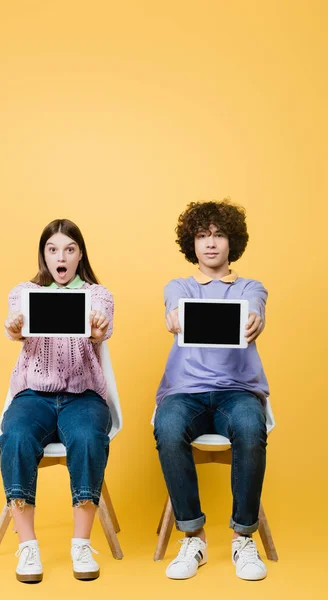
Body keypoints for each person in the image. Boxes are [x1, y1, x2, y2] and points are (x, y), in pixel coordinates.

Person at [154, 200, 269, 581]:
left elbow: (255, 308)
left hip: (237, 391)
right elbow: (174, 307)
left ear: (231, 241)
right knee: (168, 429)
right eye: (202, 236)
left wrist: (254, 319)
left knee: (252, 428)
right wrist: (174, 318)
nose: (211, 243)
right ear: (192, 243)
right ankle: (193, 537)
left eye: (219, 235)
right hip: (185, 391)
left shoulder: (250, 287)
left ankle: (242, 536)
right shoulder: (179, 286)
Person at [0, 219, 114, 583]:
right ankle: (28, 545)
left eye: (69, 249)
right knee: (15, 436)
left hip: (83, 396)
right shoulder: (24, 292)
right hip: (33, 395)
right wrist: (15, 329)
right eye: (53, 249)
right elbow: (14, 322)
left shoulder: (98, 295)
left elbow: (105, 324)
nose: (60, 256)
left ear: (80, 255)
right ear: (44, 255)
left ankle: (81, 543)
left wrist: (98, 332)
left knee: (88, 438)